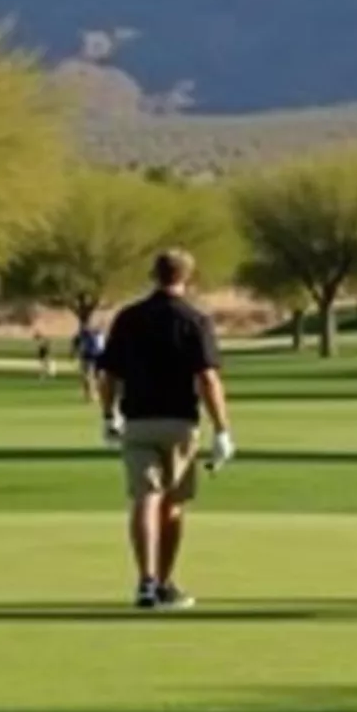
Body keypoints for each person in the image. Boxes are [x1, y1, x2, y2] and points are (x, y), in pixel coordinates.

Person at [98, 249, 236, 610]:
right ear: (187, 277)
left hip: (138, 421)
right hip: (179, 422)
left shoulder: (128, 318)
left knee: (145, 497)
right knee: (171, 504)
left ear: (153, 275)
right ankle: (164, 583)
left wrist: (108, 415)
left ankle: (145, 583)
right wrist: (222, 430)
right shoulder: (194, 319)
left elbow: (108, 374)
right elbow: (207, 378)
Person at [73, 322, 107, 402]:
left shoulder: (96, 336)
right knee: (89, 377)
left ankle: (93, 394)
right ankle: (90, 395)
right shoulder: (91, 336)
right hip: (91, 357)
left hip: (93, 357)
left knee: (93, 377)